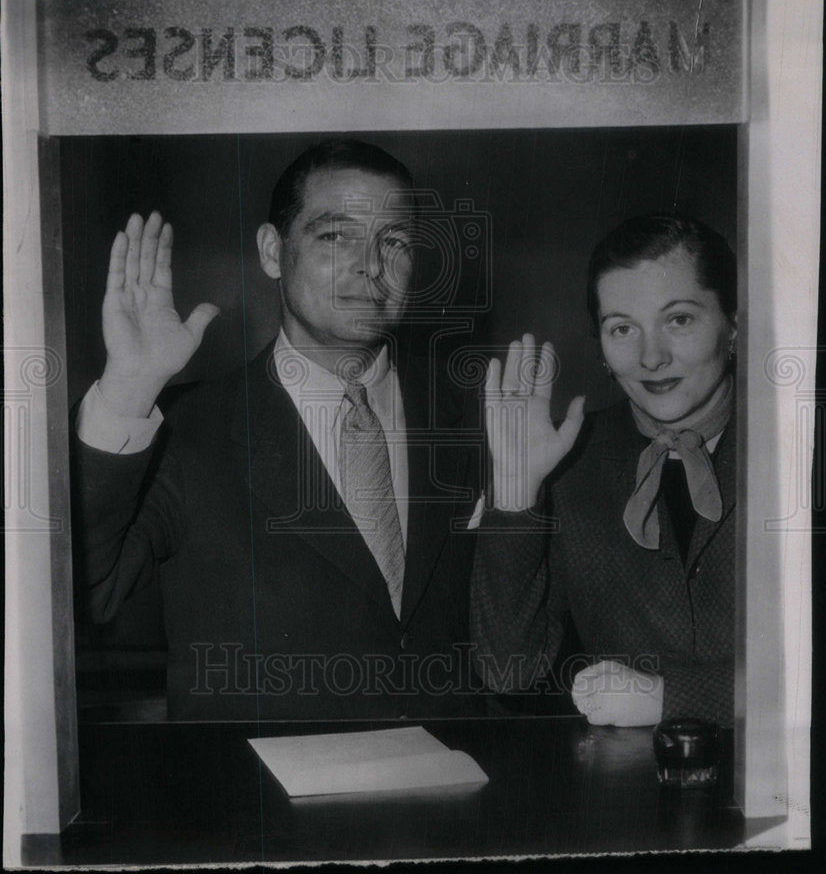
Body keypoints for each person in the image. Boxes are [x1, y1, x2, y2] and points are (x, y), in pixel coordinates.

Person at [73, 138, 483, 721]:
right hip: (257, 799)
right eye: (335, 235)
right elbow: (87, 591)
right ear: (272, 251)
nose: (370, 265)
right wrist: (129, 391)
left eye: (393, 241)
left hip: (452, 795)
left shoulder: (478, 414)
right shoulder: (180, 432)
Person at [472, 214, 737, 727]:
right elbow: (508, 672)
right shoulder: (572, 460)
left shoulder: (797, 446)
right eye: (622, 328)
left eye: (679, 319)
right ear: (600, 346)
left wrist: (670, 699)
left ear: (733, 323)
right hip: (626, 796)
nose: (651, 357)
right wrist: (515, 491)